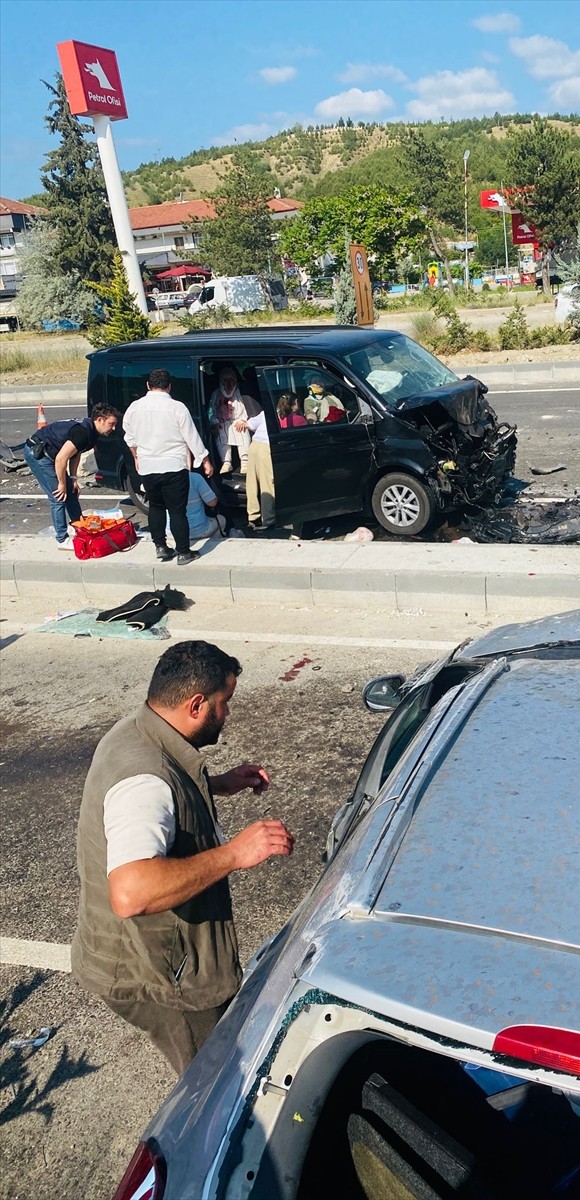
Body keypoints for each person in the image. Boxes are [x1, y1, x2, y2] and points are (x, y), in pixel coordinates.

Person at [71, 640, 295, 1074]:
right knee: (214, 1080)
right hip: (158, 977)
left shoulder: (135, 730)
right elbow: (131, 892)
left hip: (134, 955)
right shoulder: (146, 779)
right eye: (224, 703)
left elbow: (162, 794)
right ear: (196, 705)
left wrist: (214, 784)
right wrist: (234, 853)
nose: (227, 714)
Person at [123, 368, 213, 566]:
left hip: (148, 467)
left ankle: (161, 548)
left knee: (156, 507)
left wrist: (137, 456)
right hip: (174, 465)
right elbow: (192, 436)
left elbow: (129, 438)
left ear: (148, 385)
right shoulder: (177, 407)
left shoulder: (134, 408)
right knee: (177, 511)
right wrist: (204, 460)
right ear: (169, 386)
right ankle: (183, 552)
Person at [22, 404, 120, 550]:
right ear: (99, 420)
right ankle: (62, 539)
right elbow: (61, 459)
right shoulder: (82, 432)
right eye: (111, 424)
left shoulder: (92, 433)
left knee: (71, 492)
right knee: (58, 497)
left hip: (53, 455)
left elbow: (76, 453)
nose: (113, 429)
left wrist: (73, 479)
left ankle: (78, 527)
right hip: (39, 453)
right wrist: (62, 483)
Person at [209, 367, 259, 474]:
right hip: (222, 422)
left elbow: (245, 408)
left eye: (231, 380)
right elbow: (211, 410)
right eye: (225, 381)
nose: (228, 384)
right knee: (221, 435)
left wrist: (243, 421)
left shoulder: (239, 393)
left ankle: (245, 461)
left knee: (242, 432)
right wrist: (215, 422)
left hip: (238, 420)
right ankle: (226, 462)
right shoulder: (216, 394)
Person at [234, 411, 275, 529]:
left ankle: (253, 517)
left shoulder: (264, 413)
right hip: (266, 448)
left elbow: (249, 424)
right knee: (267, 483)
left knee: (252, 483)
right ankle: (268, 519)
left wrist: (241, 422)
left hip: (254, 446)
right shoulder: (289, 416)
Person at [167, 468, 222, 542]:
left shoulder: (163, 480)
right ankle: (215, 542)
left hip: (170, 532)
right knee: (221, 520)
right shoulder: (195, 477)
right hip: (199, 530)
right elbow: (212, 503)